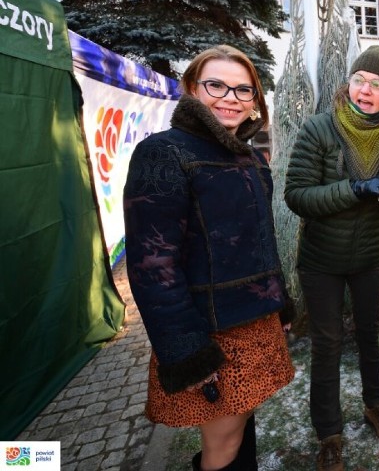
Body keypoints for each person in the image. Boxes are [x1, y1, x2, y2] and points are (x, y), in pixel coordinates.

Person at [123, 45, 296, 471]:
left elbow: (260, 241)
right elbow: (152, 264)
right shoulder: (164, 153)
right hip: (211, 331)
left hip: (255, 320)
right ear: (190, 89)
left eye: (243, 89)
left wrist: (280, 299)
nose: (230, 98)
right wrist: (185, 349)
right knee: (224, 445)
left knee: (243, 429)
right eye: (215, 85)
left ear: (255, 99)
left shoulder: (251, 157)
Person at [284, 45, 379, 471]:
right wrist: (354, 189)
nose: (366, 90)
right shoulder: (320, 129)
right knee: (328, 344)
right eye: (359, 80)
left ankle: (376, 407)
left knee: (372, 336)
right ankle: (329, 434)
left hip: (372, 255)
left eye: (378, 84)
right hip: (322, 261)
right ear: (348, 82)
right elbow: (297, 195)